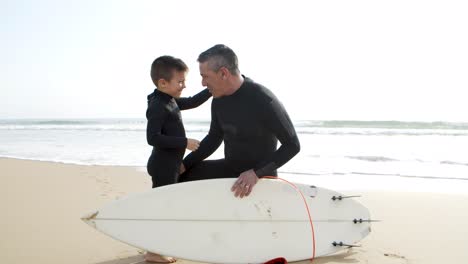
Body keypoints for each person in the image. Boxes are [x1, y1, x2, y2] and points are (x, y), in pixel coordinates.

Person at [178, 44, 300, 199]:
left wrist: (256, 173)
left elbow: (292, 145)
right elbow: (214, 138)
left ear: (223, 73)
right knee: (180, 175)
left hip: (260, 178)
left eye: (205, 76)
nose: (203, 83)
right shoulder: (218, 99)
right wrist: (185, 164)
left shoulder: (262, 98)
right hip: (230, 169)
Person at [145, 55, 211, 263]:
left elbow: (192, 102)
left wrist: (211, 88)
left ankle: (157, 248)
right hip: (162, 166)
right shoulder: (157, 105)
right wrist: (184, 142)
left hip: (170, 165)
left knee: (167, 206)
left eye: (184, 81)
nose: (184, 86)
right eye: (180, 82)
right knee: (162, 209)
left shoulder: (169, 99)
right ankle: (154, 252)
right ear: (162, 83)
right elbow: (152, 137)